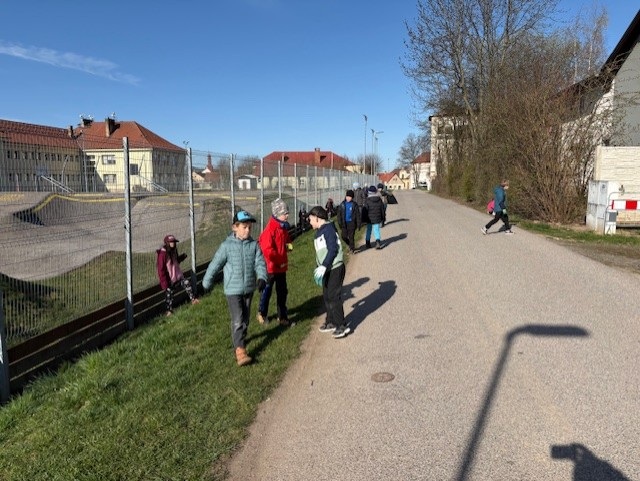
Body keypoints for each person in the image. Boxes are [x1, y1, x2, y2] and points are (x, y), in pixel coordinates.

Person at [202, 210, 268, 366]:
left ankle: (240, 339)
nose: (247, 230)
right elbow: (215, 264)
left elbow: (260, 263)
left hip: (249, 288)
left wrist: (262, 277)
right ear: (234, 227)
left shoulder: (254, 245)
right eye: (244, 227)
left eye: (249, 227)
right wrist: (206, 282)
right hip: (232, 289)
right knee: (238, 319)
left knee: (245, 318)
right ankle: (240, 351)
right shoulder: (226, 246)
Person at [308, 205, 350, 339]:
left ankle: (341, 325)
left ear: (317, 218)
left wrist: (324, 265)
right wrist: (319, 267)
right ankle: (331, 321)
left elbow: (333, 249)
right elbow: (321, 253)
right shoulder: (320, 231)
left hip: (335, 268)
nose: (309, 222)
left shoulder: (328, 230)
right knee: (326, 296)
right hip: (327, 268)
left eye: (310, 219)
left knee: (333, 296)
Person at [257, 198, 293, 326]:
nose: (287, 215)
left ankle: (282, 316)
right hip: (271, 267)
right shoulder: (270, 230)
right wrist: (279, 259)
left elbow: (286, 240)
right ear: (277, 214)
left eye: (287, 213)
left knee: (282, 292)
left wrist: (289, 245)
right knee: (267, 291)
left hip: (281, 266)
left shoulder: (283, 227)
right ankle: (262, 313)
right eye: (284, 213)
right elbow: (267, 250)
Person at [156, 234, 199, 316]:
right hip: (169, 280)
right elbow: (161, 270)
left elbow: (175, 262)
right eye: (171, 242)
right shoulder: (162, 254)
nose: (173, 244)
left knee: (187, 283)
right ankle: (169, 311)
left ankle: (193, 299)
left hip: (178, 276)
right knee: (169, 294)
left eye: (174, 242)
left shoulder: (174, 251)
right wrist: (165, 283)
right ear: (167, 243)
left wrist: (181, 257)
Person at [337, 189, 361, 254]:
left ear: (352, 197)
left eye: (350, 197)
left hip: (352, 223)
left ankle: (352, 249)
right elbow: (339, 215)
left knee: (351, 237)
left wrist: (358, 224)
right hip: (344, 223)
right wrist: (339, 223)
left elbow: (358, 215)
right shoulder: (342, 204)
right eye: (347, 196)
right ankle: (350, 245)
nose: (348, 198)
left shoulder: (354, 205)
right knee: (343, 236)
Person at [363, 184, 386, 249]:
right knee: (376, 230)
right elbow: (382, 210)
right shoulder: (379, 200)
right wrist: (383, 218)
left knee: (369, 230)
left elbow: (365, 211)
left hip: (369, 218)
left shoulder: (367, 200)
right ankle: (377, 242)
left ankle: (367, 243)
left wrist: (364, 219)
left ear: (369, 192)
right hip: (377, 218)